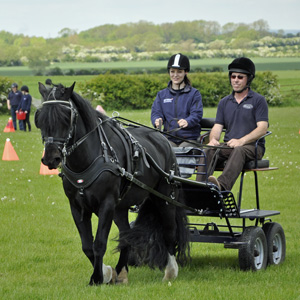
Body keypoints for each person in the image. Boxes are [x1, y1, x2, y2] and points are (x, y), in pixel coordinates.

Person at [197, 57, 268, 191]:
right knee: (209, 150)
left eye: (240, 77)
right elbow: (217, 127)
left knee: (239, 150)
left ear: (249, 79)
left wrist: (242, 141)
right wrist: (213, 139)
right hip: (230, 145)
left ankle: (221, 187)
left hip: (252, 147)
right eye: (233, 76)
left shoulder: (258, 100)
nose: (235, 80)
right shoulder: (224, 102)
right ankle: (199, 188)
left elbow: (262, 128)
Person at [151, 53, 203, 147]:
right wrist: (156, 120)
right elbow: (156, 112)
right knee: (164, 150)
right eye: (172, 71)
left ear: (185, 72)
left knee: (181, 152)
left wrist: (188, 121)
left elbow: (197, 114)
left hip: (189, 139)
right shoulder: (161, 95)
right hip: (169, 138)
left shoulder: (194, 94)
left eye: (179, 71)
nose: (175, 75)